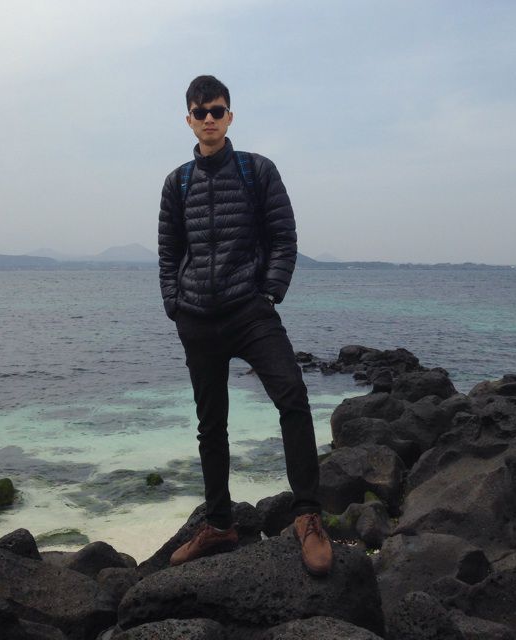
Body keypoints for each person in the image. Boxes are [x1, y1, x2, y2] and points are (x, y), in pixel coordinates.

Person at [158, 75, 332, 576]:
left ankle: (308, 516)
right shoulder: (177, 183)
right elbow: (169, 251)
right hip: (197, 318)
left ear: (230, 116)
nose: (209, 119)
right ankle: (219, 524)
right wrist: (175, 305)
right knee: (211, 425)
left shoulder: (257, 171)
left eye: (217, 110)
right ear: (189, 120)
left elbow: (284, 237)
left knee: (292, 397)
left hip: (249, 311)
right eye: (200, 112)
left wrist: (270, 292)